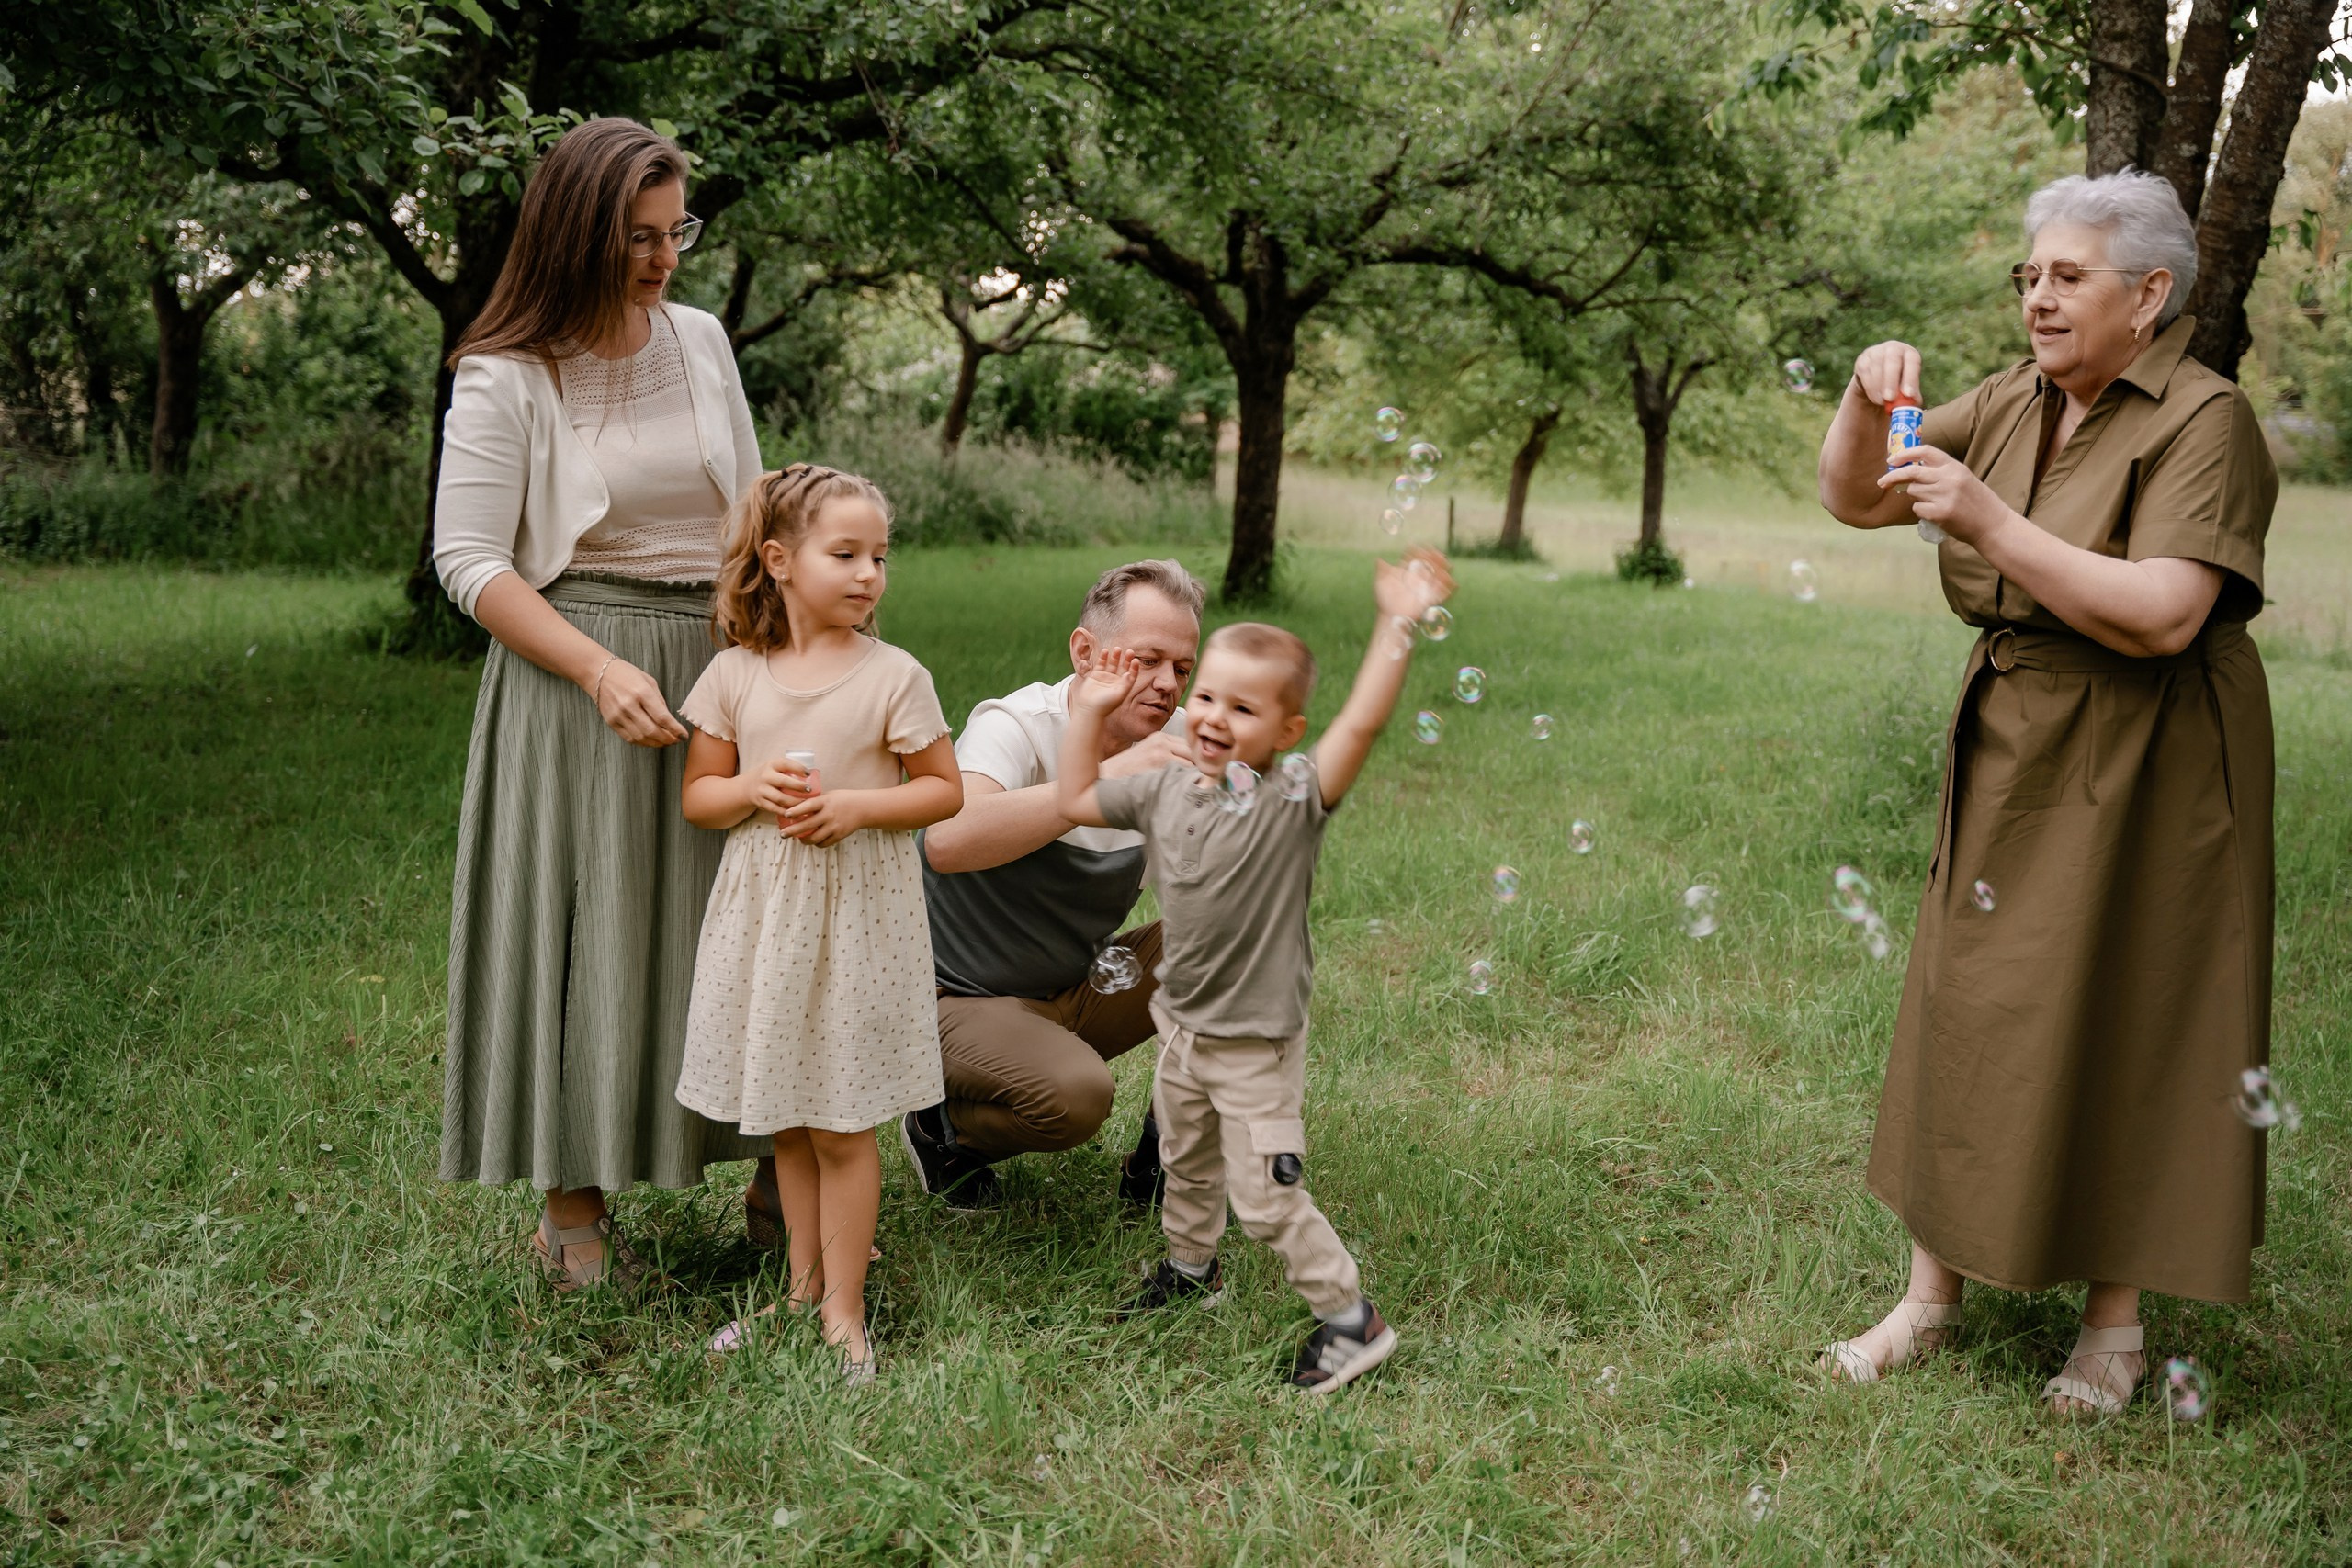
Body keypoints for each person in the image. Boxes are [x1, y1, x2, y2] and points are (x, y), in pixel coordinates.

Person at [1816, 170, 2277, 1415]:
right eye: (2029, 275)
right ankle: (1931, 1294)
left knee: (2129, 1005)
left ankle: (2114, 1328)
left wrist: (1987, 517)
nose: (2038, 297)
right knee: (1969, 991)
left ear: (2151, 292)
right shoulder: (2019, 397)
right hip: (2018, 728)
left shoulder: (2205, 416)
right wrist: (1871, 402)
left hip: (2151, 747)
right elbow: (1859, 493)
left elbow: (2170, 609)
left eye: (2067, 275)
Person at [433, 118, 773, 1289]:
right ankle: (573, 1216)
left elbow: (750, 505)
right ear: (575, 231)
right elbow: (470, 563)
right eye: (637, 236)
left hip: (722, 660)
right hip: (579, 672)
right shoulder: (506, 373)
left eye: (676, 230)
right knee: (589, 931)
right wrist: (595, 666)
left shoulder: (702, 339)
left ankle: (785, 1184)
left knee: (744, 921)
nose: (663, 257)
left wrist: (779, 636)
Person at [1056, 549, 1455, 1394]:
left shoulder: (1288, 805)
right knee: (1188, 1159)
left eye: (1242, 707)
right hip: (1183, 1028)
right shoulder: (1165, 789)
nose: (1209, 715)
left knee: (1264, 1194)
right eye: (1204, 695)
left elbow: (1360, 727)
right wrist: (1089, 714)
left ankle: (1351, 1319)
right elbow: (1071, 798)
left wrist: (1397, 622)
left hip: (1254, 1044)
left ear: (1286, 734)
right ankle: (1189, 1271)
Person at [680, 465, 962, 1384]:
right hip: (767, 921)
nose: (869, 573)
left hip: (857, 923)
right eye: (845, 554)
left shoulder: (894, 677)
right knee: (792, 1123)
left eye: (880, 556)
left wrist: (854, 807)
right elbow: (702, 798)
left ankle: (845, 1312)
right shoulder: (733, 675)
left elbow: (942, 790)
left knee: (842, 1125)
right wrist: (749, 788)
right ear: (779, 560)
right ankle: (800, 1292)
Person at [901, 562, 1205, 1207]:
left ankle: (1163, 1157)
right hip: (950, 997)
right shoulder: (1018, 725)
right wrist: (1099, 786)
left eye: (1182, 668)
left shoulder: (1175, 744)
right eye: (1146, 659)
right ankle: (942, 1127)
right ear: (1085, 652)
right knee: (1077, 1095)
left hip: (1075, 982)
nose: (1166, 685)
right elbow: (947, 839)